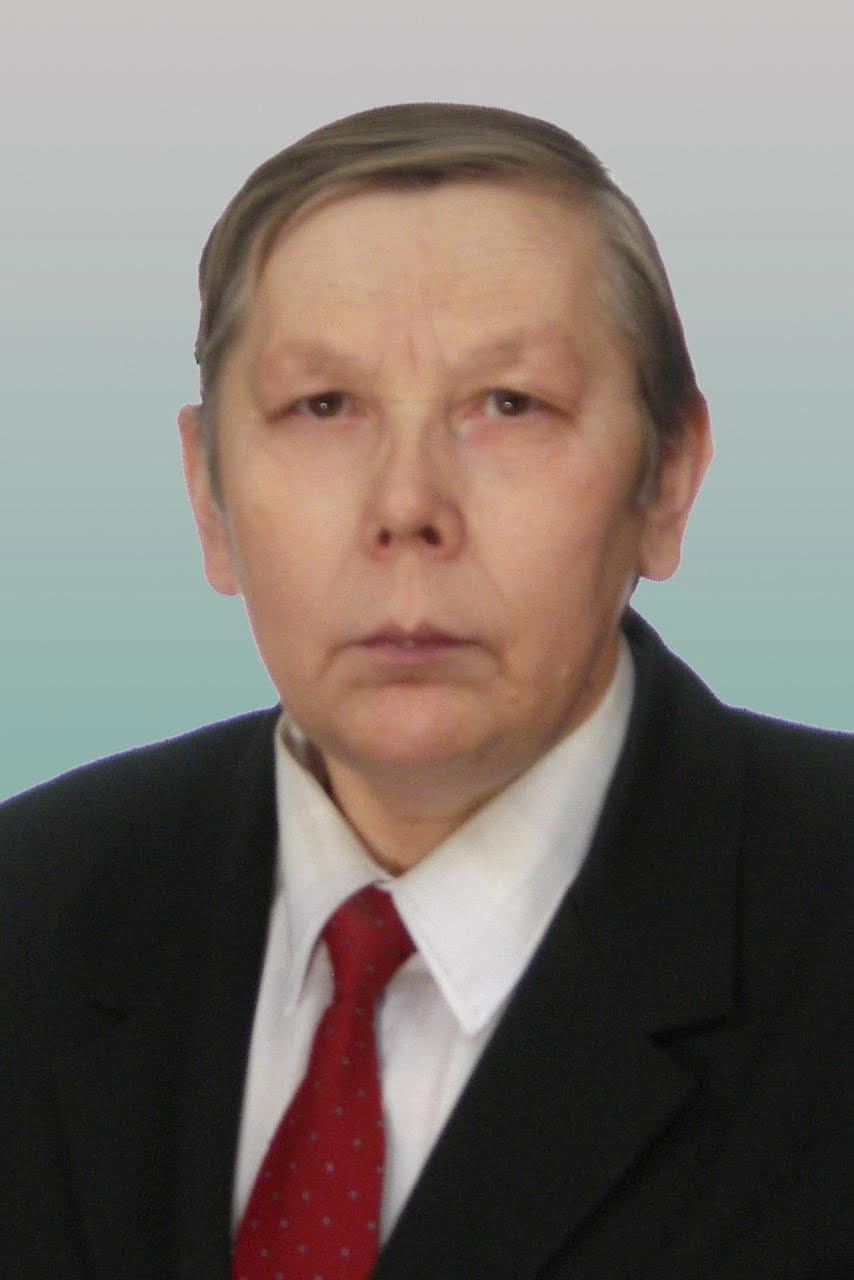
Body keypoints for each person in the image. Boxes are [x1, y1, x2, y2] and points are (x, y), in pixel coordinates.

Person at [1, 103, 851, 1280]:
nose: (407, 506)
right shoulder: (29, 907)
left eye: (508, 404)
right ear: (207, 495)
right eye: (322, 407)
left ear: (665, 481)